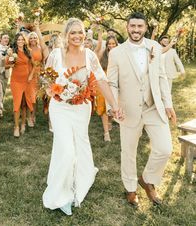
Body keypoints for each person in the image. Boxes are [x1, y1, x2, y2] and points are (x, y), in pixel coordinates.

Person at [42, 18, 123, 216]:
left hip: (81, 108)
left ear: (85, 34)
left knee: (81, 143)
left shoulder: (90, 56)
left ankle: (82, 177)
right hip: (60, 107)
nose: (77, 36)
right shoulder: (56, 55)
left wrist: (115, 105)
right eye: (73, 33)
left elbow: (102, 81)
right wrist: (51, 90)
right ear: (66, 35)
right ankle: (61, 194)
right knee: (66, 149)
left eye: (80, 32)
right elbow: (46, 77)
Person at [107, 12, 176, 207]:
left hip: (154, 106)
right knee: (128, 151)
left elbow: (161, 76)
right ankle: (130, 189)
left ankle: (147, 179)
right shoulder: (116, 53)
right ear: (127, 28)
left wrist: (168, 104)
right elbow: (112, 82)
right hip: (128, 109)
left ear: (145, 28)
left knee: (165, 149)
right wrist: (115, 105)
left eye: (140, 26)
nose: (136, 30)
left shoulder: (155, 47)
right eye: (133, 26)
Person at [6, 33, 34, 137]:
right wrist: (10, 62)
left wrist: (31, 75)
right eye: (18, 40)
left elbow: (34, 66)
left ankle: (23, 124)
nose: (20, 41)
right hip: (16, 81)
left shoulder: (28, 52)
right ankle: (16, 127)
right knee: (17, 104)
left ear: (24, 41)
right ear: (16, 41)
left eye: (22, 39)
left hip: (26, 81)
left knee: (24, 103)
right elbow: (6, 66)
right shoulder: (12, 52)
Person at [94, 31, 119, 141]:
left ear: (116, 44)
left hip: (115, 85)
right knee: (104, 109)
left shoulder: (120, 55)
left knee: (113, 107)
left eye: (113, 44)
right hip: (103, 85)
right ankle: (106, 133)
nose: (111, 46)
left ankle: (109, 121)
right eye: (109, 44)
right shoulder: (102, 55)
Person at [27, 29, 49, 126]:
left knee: (41, 94)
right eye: (31, 38)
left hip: (40, 72)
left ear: (37, 39)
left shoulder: (41, 48)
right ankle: (32, 115)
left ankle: (43, 108)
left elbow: (45, 60)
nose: (33, 39)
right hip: (30, 73)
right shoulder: (27, 48)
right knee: (32, 96)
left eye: (34, 37)